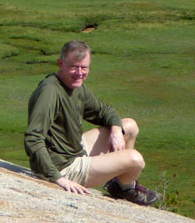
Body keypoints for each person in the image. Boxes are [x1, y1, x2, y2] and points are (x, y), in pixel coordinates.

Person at [24, 40, 160, 206]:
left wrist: (116, 131)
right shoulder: (49, 92)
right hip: (62, 166)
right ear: (61, 63)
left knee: (129, 126)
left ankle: (121, 183)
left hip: (73, 148)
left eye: (84, 68)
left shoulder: (76, 87)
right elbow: (33, 139)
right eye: (74, 67)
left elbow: (105, 112)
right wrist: (58, 178)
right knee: (135, 159)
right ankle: (126, 188)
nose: (79, 73)